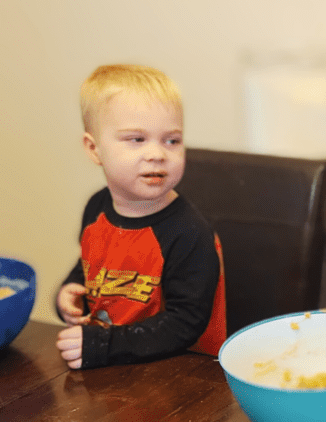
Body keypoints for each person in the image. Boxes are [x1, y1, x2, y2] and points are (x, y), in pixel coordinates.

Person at [55, 64, 226, 370]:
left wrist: (102, 346)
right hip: (115, 369)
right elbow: (95, 265)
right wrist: (70, 290)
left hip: (179, 376)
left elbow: (184, 324)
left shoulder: (189, 232)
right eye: (136, 139)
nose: (157, 154)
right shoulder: (96, 209)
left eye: (171, 140)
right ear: (94, 149)